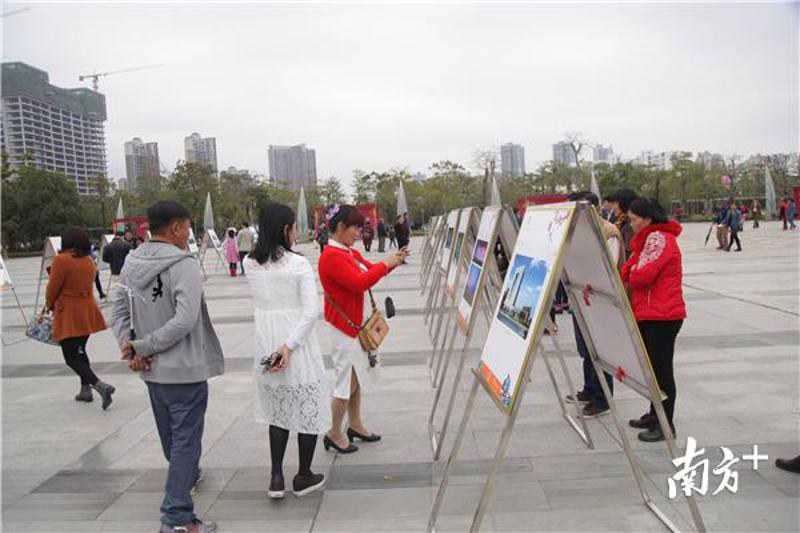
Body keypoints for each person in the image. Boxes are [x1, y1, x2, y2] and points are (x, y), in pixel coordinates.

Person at [111, 201, 223, 533]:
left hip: (152, 371)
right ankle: (177, 518)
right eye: (187, 227)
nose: (190, 233)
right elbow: (186, 320)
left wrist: (131, 348)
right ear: (174, 228)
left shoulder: (132, 260)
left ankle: (185, 481)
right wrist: (139, 347)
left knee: (173, 440)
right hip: (184, 369)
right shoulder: (183, 263)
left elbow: (117, 310)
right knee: (185, 441)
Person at [245, 203, 328, 499]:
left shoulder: (249, 263)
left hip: (267, 344)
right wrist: (289, 346)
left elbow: (264, 304)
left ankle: (276, 477)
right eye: (293, 227)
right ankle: (303, 475)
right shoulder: (298, 264)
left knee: (278, 412)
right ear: (284, 229)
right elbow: (310, 312)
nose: (295, 232)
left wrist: (278, 347)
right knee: (308, 405)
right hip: (297, 344)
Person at [318, 204, 408, 454]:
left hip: (355, 326)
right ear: (339, 227)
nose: (359, 233)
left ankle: (354, 425)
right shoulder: (331, 257)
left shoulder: (346, 252)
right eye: (355, 228)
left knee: (355, 379)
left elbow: (369, 270)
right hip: (344, 329)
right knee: (345, 382)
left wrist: (392, 263)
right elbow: (359, 283)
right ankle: (334, 432)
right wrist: (385, 264)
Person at [622, 198, 685, 442]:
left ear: (648, 219)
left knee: (661, 372)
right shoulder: (648, 240)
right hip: (650, 313)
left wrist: (633, 270)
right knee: (652, 371)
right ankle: (654, 413)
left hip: (663, 316)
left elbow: (640, 277)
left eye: (634, 219)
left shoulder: (659, 238)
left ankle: (665, 424)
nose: (632, 223)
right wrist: (633, 270)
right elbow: (627, 271)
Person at [564, 192, 624, 418]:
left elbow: (607, 269)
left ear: (592, 209)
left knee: (600, 352)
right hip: (581, 299)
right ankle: (589, 389)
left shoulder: (609, 232)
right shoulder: (578, 232)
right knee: (585, 350)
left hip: (601, 303)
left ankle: (602, 399)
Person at [46, 226, 115, 408]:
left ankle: (100, 386)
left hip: (69, 312)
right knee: (80, 351)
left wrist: (49, 305)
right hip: (86, 310)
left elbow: (53, 288)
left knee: (71, 357)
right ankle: (85, 390)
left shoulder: (61, 260)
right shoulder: (88, 261)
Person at [607, 189, 637, 261]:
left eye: (616, 203)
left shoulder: (629, 225)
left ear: (624, 203)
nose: (613, 207)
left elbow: (628, 253)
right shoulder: (619, 221)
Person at [103, 231, 132, 298]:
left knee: (118, 287)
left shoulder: (107, 246)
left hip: (114, 269)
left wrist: (112, 261)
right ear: (122, 236)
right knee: (127, 287)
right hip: (126, 269)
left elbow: (104, 259)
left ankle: (119, 299)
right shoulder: (127, 245)